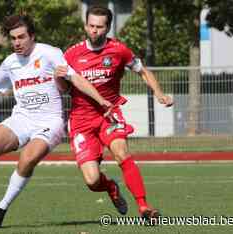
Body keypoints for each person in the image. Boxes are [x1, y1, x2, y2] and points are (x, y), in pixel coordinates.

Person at [0, 14, 112, 229]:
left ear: (32, 36)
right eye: (13, 39)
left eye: (21, 37)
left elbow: (75, 79)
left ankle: (1, 209)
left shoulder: (50, 53)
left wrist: (101, 100)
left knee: (27, 158)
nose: (17, 43)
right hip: (22, 118)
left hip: (50, 122)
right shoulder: (10, 63)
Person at [55, 5, 173, 221]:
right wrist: (58, 77)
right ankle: (110, 187)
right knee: (92, 181)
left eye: (99, 27)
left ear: (108, 28)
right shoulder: (71, 54)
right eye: (91, 26)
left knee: (121, 152)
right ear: (85, 25)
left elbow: (142, 71)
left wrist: (159, 94)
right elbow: (63, 89)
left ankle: (144, 207)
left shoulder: (119, 50)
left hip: (109, 113)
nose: (94, 30)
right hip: (81, 119)